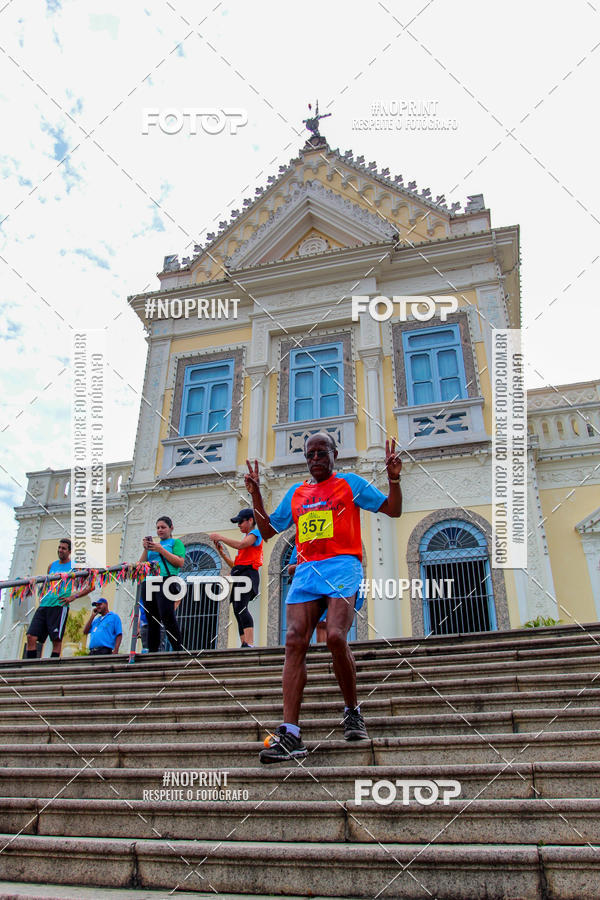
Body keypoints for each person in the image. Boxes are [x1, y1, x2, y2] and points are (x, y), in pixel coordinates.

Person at [245, 433, 402, 763]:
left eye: (322, 452)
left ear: (334, 454)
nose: (315, 458)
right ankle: (290, 733)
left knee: (333, 636)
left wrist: (394, 479)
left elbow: (393, 509)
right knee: (293, 641)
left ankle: (352, 710)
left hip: (343, 567)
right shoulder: (297, 493)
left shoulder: (350, 484)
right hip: (306, 571)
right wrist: (256, 494)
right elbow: (269, 530)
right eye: (310, 454)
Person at [25, 538, 94, 659]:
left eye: (63, 548)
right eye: (59, 547)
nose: (60, 550)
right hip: (44, 605)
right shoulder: (52, 565)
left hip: (59, 606)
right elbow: (46, 584)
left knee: (56, 640)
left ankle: (52, 669)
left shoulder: (75, 567)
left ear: (69, 551)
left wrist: (73, 596)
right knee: (31, 636)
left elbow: (91, 586)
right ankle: (30, 667)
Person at [210, 508, 263, 648]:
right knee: (236, 608)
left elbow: (240, 545)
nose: (238, 525)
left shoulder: (255, 534)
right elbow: (235, 565)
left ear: (250, 520)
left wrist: (221, 537)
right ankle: (244, 642)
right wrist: (222, 553)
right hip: (240, 573)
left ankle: (250, 642)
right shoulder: (245, 538)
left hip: (249, 574)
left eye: (240, 522)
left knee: (241, 607)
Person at [138, 516, 186, 653]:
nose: (160, 530)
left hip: (166, 579)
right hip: (149, 581)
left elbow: (179, 562)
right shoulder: (153, 547)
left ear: (171, 528)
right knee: (151, 618)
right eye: (158, 528)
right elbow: (141, 566)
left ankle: (178, 648)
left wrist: (161, 550)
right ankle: (154, 650)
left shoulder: (175, 543)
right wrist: (146, 549)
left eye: (163, 527)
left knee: (167, 614)